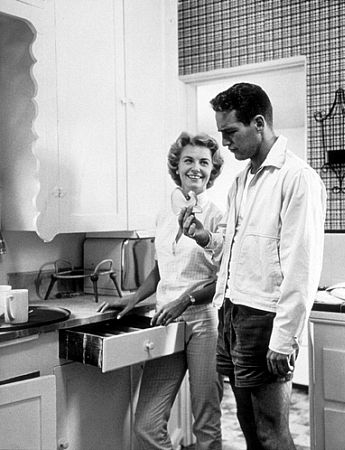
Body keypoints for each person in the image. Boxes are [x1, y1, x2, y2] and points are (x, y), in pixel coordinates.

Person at [179, 83, 326, 450]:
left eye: (231, 132)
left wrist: (285, 336)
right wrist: (204, 237)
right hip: (233, 312)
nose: (225, 144)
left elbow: (302, 267)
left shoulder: (297, 178)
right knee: (248, 427)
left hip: (265, 318)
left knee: (271, 432)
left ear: (258, 123)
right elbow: (231, 249)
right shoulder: (241, 181)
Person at [98, 131, 224, 450]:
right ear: (176, 167)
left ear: (213, 170)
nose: (196, 167)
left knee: (205, 424)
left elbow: (224, 277)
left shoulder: (219, 215)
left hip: (204, 323)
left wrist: (186, 299)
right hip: (166, 321)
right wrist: (133, 298)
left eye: (204, 162)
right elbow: (159, 269)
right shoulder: (163, 215)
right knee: (146, 426)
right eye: (188, 160)